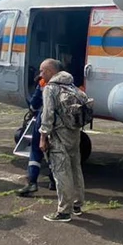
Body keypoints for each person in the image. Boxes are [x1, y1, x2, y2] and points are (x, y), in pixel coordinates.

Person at [38, 59, 91, 223]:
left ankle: (64, 211)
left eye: (43, 71)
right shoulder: (72, 86)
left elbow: (47, 115)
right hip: (74, 134)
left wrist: (43, 137)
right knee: (76, 169)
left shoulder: (51, 89)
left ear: (51, 71)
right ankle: (77, 205)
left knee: (61, 172)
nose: (41, 75)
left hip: (59, 136)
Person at [17, 73, 55, 196]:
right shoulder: (68, 84)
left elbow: (35, 102)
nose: (41, 74)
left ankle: (32, 182)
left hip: (43, 118)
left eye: (42, 71)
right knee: (54, 152)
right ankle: (54, 181)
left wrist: (32, 111)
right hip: (59, 122)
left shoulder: (43, 82)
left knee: (35, 150)